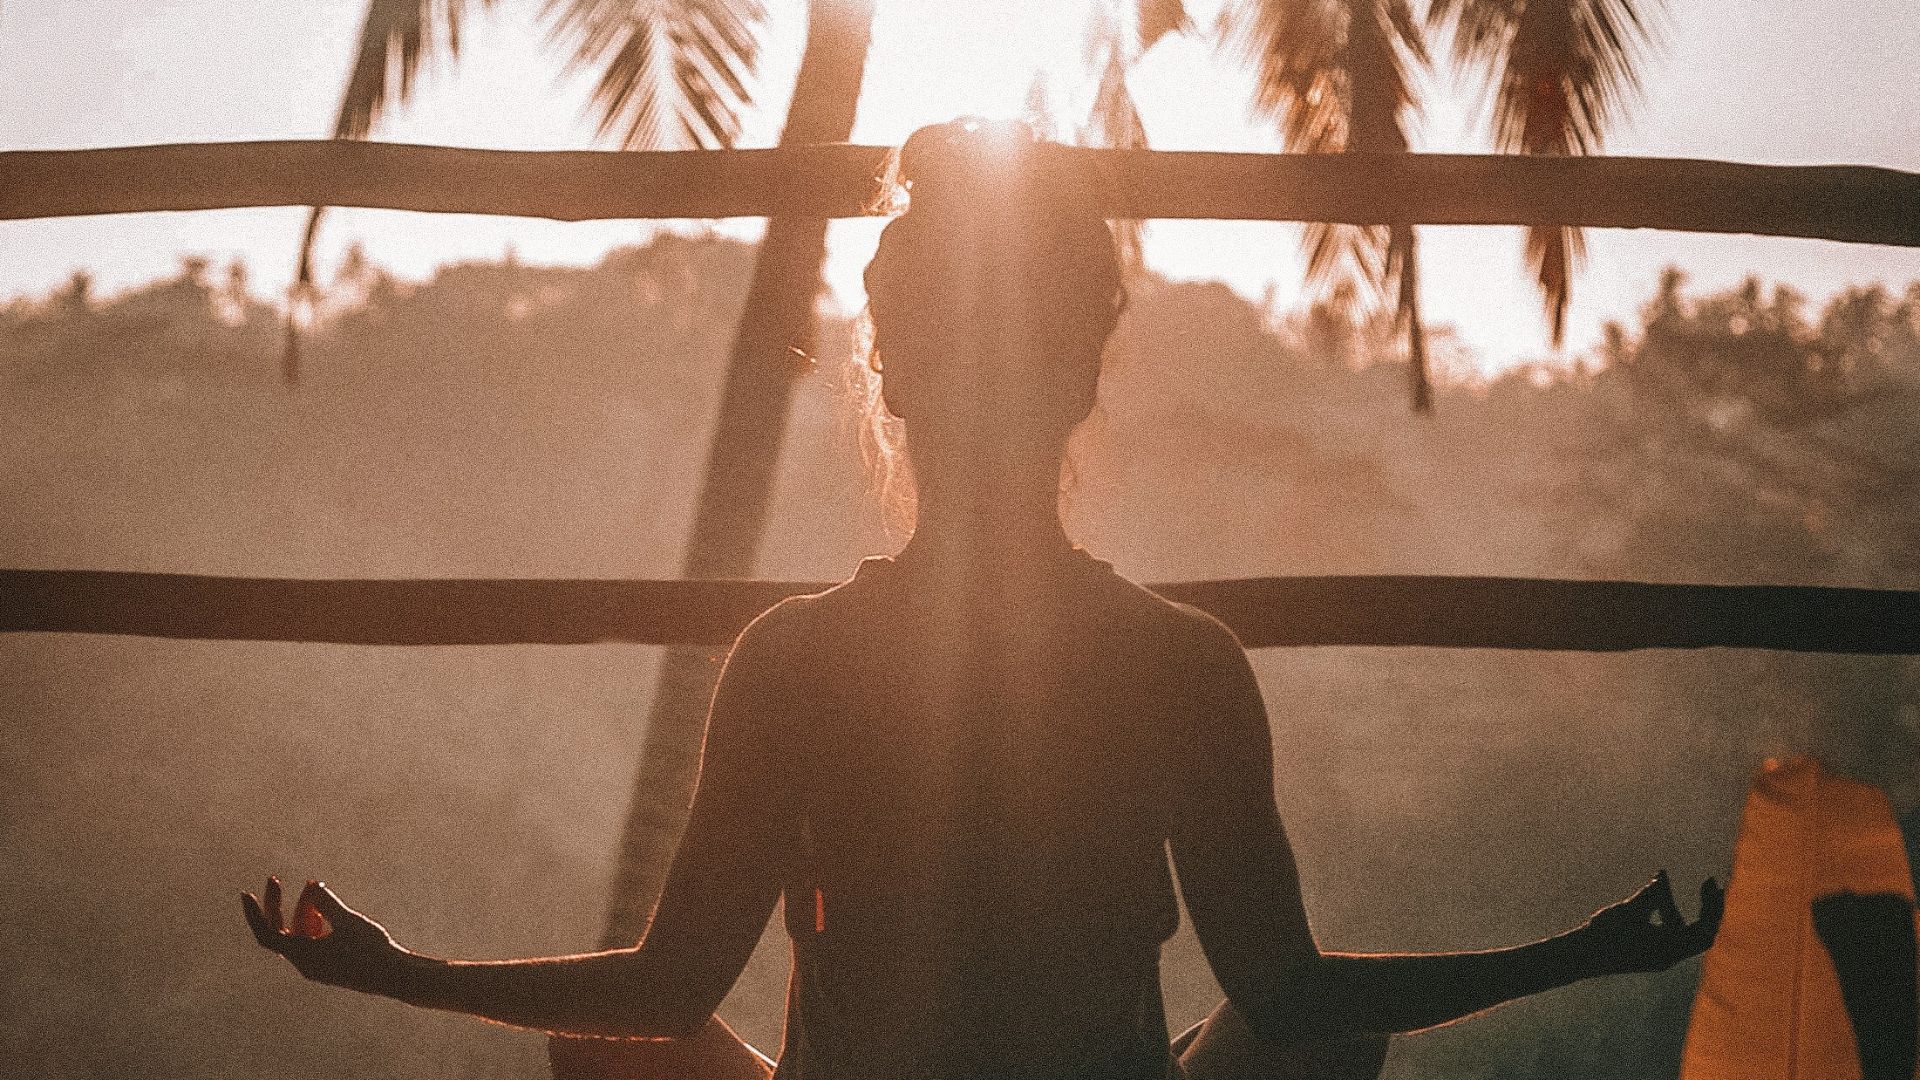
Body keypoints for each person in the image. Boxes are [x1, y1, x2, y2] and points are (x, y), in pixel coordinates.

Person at [243, 119, 1724, 1080]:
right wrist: (1579, 953)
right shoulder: (1177, 662)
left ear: (889, 377)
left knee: (607, 1054)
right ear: (1083, 374)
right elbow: (1294, 997)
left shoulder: (797, 659)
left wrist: (397, 974)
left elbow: (665, 988)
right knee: (1321, 1047)